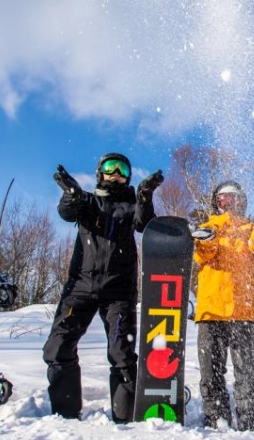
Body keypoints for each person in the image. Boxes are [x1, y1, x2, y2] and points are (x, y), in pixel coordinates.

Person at [43, 152, 164, 422]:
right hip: (80, 288)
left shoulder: (131, 204)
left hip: (118, 291)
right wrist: (72, 194)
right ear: (100, 172)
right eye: (110, 167)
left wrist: (144, 195)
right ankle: (66, 416)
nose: (116, 173)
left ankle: (125, 419)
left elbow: (145, 224)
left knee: (121, 353)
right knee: (58, 346)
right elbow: (66, 212)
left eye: (122, 169)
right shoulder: (87, 201)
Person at [190, 180, 254, 432]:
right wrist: (206, 237)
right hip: (211, 312)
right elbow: (201, 254)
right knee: (211, 374)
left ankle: (251, 424)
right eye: (224, 198)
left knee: (246, 373)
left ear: (242, 201)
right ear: (217, 201)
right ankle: (217, 422)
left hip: (244, 313)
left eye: (234, 198)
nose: (229, 202)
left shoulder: (252, 228)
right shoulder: (207, 227)